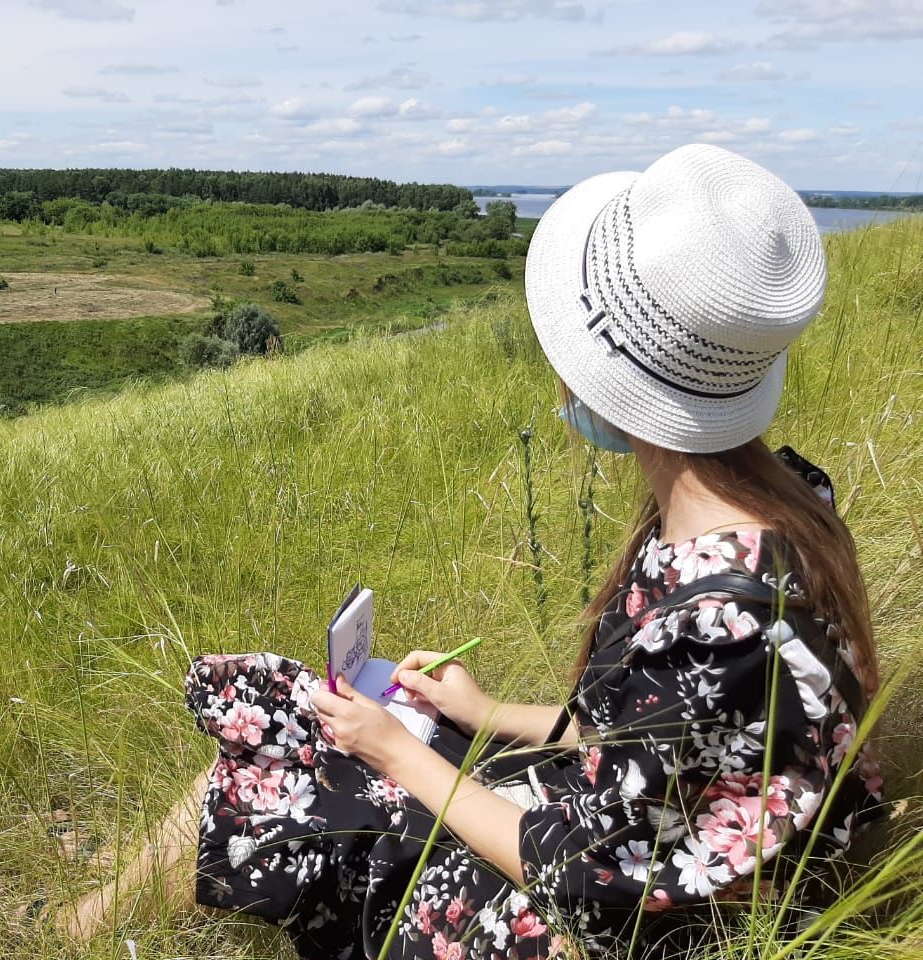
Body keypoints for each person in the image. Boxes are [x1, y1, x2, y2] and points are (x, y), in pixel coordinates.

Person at [52, 144, 884, 958]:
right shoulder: (786, 506)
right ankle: (103, 899)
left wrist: (398, 752)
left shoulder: (714, 615)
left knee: (284, 776)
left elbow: (590, 874)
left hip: (603, 919)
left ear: (604, 376)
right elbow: (660, 756)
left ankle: (67, 931)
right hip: (632, 841)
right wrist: (485, 716)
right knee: (306, 718)